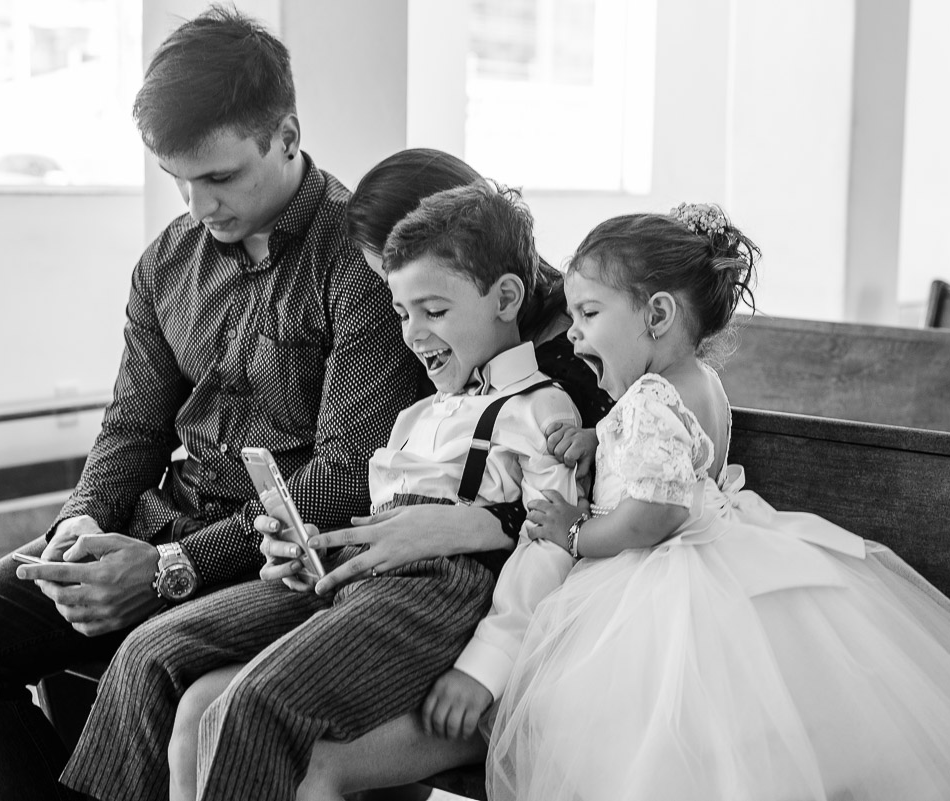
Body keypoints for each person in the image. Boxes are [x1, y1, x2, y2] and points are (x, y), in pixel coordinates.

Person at [0, 7, 419, 801]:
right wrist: (81, 520)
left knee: (147, 658)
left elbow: (348, 473)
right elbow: (133, 425)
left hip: (272, 556)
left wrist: (174, 567)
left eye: (220, 177)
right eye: (177, 178)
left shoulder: (362, 263)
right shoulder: (166, 262)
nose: (198, 204)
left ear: (286, 135)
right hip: (158, 518)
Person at [486, 204, 950, 801]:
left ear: (657, 315)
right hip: (733, 548)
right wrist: (602, 439)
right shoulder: (700, 381)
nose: (572, 332)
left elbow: (653, 515)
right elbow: (679, 457)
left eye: (588, 313)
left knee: (652, 728)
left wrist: (575, 531)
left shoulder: (650, 399)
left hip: (659, 579)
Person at [62, 181, 590, 801]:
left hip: (439, 589)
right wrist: (306, 546)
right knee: (151, 649)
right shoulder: (417, 414)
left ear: (505, 298)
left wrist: (487, 664)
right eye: (402, 314)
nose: (413, 335)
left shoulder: (541, 409)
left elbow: (547, 543)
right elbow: (373, 514)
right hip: (352, 571)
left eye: (434, 311)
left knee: (255, 702)